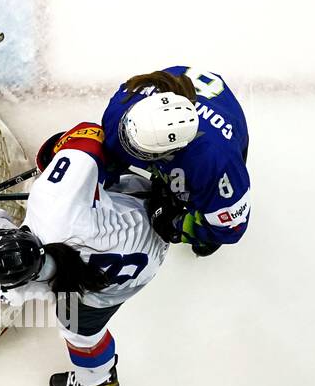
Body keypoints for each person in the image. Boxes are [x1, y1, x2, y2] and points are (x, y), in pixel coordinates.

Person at [0, 122, 169, 386]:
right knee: (106, 170)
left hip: (126, 280)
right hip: (154, 216)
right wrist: (57, 155)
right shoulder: (51, 206)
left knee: (78, 332)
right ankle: (201, 227)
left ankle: (99, 384)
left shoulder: (13, 290)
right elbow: (90, 136)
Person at [100, 67, 250, 256]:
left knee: (207, 242)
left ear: (174, 150)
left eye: (143, 152)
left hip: (222, 129)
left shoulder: (217, 161)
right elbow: (116, 145)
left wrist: (175, 222)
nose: (123, 141)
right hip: (189, 140)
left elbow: (232, 227)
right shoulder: (122, 106)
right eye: (125, 131)